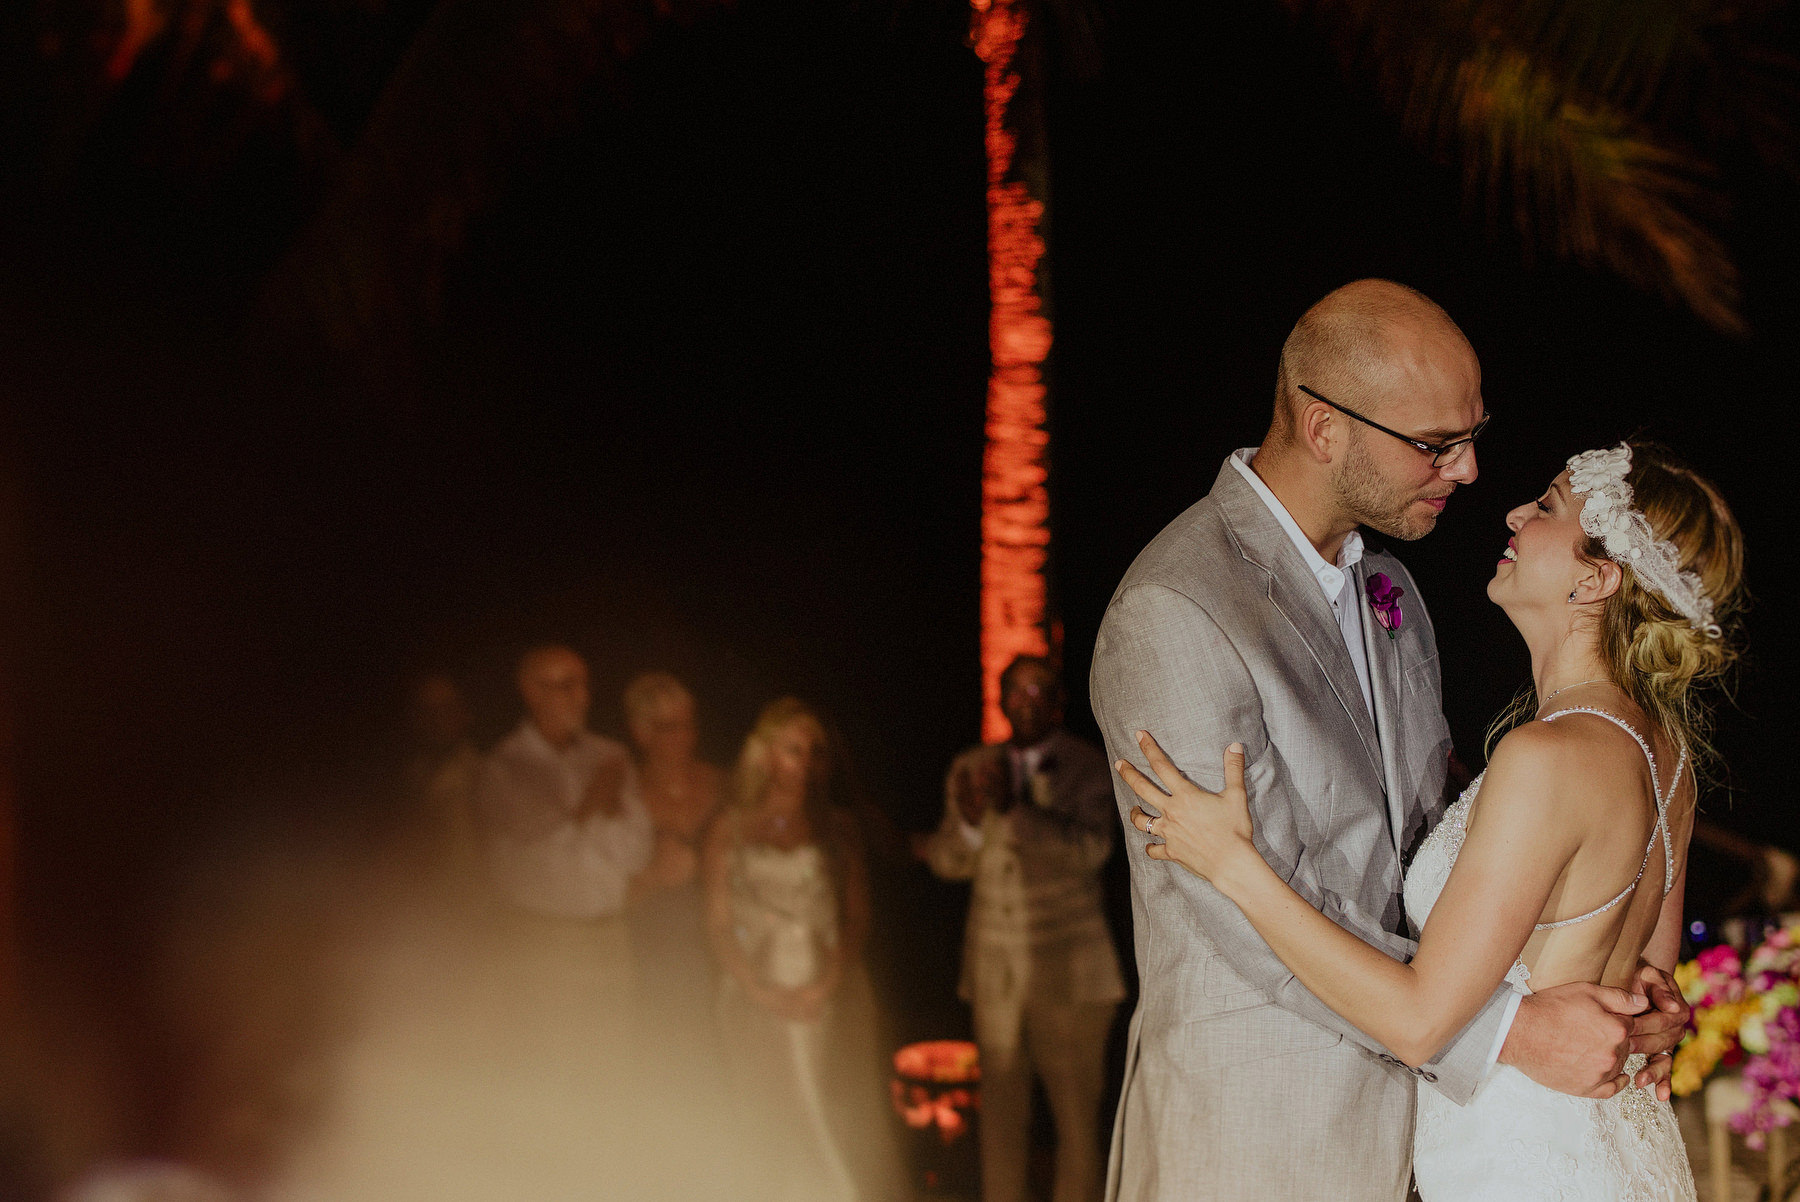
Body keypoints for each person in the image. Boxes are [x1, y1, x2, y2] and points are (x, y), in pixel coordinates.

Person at [1087, 280, 1692, 1201]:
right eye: (1436, 445)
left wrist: (1624, 978)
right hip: (1262, 1141)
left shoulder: (1395, 597)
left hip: (1431, 1139)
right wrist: (1513, 1030)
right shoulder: (1176, 609)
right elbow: (1231, 903)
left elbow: (1434, 843)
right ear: (1325, 428)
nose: (1470, 473)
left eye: (1472, 438)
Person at [914, 655, 1124, 1202]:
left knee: (1076, 1121)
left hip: (1073, 978)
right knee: (1000, 1121)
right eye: (1017, 690)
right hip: (995, 975)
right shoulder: (972, 765)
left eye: (1040, 690)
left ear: (1057, 701)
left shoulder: (1088, 766)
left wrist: (1014, 813)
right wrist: (965, 822)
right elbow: (945, 861)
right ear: (1002, 699)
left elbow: (1093, 850)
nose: (1028, 700)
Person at [702, 698, 903, 1202]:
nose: (806, 762)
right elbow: (719, 923)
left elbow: (856, 916)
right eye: (794, 749)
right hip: (755, 989)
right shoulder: (729, 827)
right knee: (764, 1113)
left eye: (815, 751)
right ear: (766, 753)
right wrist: (758, 990)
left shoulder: (837, 827)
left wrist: (830, 980)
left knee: (836, 1107)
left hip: (826, 983)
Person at [473, 645, 652, 1011]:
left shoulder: (608, 756)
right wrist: (593, 805)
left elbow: (635, 853)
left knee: (617, 1057)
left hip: (610, 937)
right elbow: (536, 860)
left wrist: (595, 811)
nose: (581, 697)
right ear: (532, 691)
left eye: (583, 685)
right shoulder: (506, 766)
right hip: (544, 941)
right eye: (566, 686)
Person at [622, 671, 725, 1025]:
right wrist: (653, 877)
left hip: (719, 944)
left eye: (689, 725)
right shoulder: (624, 794)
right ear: (641, 732)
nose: (684, 737)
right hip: (651, 949)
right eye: (670, 728)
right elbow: (600, 896)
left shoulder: (721, 784)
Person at [401, 673, 482, 873]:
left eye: (447, 708)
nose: (437, 720)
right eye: (428, 711)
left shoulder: (485, 774)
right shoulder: (411, 775)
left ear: (466, 712)